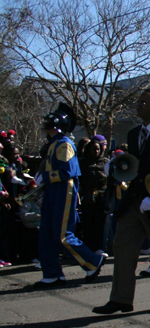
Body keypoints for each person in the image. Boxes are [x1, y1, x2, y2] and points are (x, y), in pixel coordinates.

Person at [92, 86, 150, 314]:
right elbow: (134, 167)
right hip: (134, 202)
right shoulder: (134, 134)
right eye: (138, 102)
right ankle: (121, 299)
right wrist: (116, 168)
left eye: (144, 102)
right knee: (123, 248)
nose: (139, 106)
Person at [33, 103, 107, 288]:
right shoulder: (52, 144)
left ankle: (92, 261)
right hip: (52, 190)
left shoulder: (64, 144)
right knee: (46, 234)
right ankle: (52, 274)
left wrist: (46, 177)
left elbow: (68, 171)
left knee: (62, 235)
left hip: (63, 191)